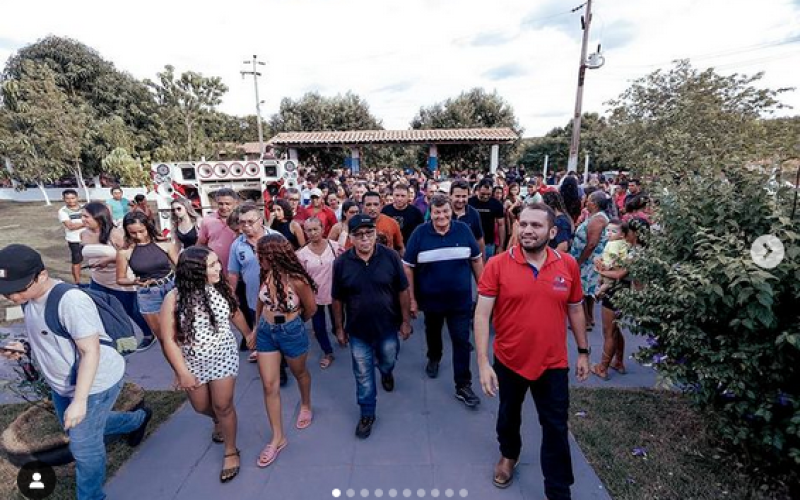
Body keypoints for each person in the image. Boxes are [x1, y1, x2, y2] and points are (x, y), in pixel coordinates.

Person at [0, 244, 153, 500]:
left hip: (95, 381)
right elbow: (50, 337)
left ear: (42, 275)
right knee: (80, 428)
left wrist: (80, 401)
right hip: (63, 384)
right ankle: (136, 420)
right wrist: (25, 347)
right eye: (6, 292)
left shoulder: (70, 301)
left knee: (84, 445)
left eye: (19, 289)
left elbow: (89, 351)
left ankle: (91, 496)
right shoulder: (29, 300)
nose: (13, 297)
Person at [474, 204, 590, 496]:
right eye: (522, 224)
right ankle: (508, 455)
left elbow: (576, 310)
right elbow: (481, 315)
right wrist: (483, 362)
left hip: (553, 363)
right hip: (510, 360)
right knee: (508, 415)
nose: (527, 230)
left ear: (552, 232)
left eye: (535, 225)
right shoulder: (497, 264)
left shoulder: (568, 265)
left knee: (555, 427)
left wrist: (584, 351)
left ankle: (558, 489)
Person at [159, 246, 252, 482]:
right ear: (195, 271)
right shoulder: (174, 298)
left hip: (223, 356)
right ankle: (216, 420)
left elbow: (235, 312)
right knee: (200, 407)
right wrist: (181, 372)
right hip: (192, 361)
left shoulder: (220, 287)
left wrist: (248, 335)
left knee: (223, 405)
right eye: (212, 265)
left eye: (217, 263)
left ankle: (231, 451)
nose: (219, 268)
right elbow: (168, 339)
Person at [332, 214, 412, 439]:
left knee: (388, 358)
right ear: (352, 238)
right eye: (359, 235)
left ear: (376, 234)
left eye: (369, 233)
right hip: (357, 331)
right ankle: (367, 413)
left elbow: (403, 290)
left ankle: (386, 372)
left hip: (388, 327)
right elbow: (337, 298)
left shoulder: (391, 257)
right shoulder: (341, 264)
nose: (364, 239)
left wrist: (405, 321)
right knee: (363, 374)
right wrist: (339, 328)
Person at [403, 194, 483, 408]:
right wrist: (411, 299)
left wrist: (483, 291)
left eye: (445, 211)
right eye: (437, 212)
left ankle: (463, 385)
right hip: (431, 302)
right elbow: (408, 266)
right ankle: (434, 357)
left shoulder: (463, 230)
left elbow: (476, 260)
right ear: (431, 213)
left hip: (460, 302)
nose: (442, 216)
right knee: (433, 332)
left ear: (451, 211)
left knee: (461, 341)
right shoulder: (420, 234)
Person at [252, 234, 317, 467]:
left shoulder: (297, 280)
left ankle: (306, 404)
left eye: (261, 255)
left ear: (273, 255)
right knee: (269, 385)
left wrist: (295, 322)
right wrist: (254, 328)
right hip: (266, 331)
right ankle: (277, 438)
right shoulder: (265, 273)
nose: (257, 258)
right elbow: (260, 301)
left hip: (291, 330)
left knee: (300, 373)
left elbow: (311, 309)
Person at [80, 202, 154, 351]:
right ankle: (115, 339)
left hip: (119, 281)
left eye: (86, 216)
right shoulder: (84, 234)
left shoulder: (116, 234)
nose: (83, 219)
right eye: (82, 216)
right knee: (102, 310)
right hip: (98, 280)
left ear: (98, 217)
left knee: (132, 311)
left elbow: (132, 253)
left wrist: (108, 260)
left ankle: (149, 334)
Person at [591, 217, 649, 380]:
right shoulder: (634, 249)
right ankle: (618, 361)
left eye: (627, 231)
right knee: (615, 329)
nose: (624, 234)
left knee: (608, 331)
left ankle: (602, 367)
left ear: (635, 233)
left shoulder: (634, 253)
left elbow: (619, 274)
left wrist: (600, 271)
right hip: (622, 291)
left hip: (617, 291)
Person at [227, 203, 282, 366]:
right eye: (242, 222)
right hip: (253, 300)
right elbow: (233, 272)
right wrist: (232, 294)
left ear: (260, 220)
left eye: (250, 222)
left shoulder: (276, 237)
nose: (245, 226)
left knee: (279, 332)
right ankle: (269, 363)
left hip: (279, 299)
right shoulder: (237, 245)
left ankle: (282, 364)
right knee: (262, 332)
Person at [116, 211, 179, 350]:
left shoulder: (165, 244)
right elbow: (120, 279)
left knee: (181, 331)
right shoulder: (125, 252)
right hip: (148, 294)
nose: (138, 236)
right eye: (133, 233)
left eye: (141, 231)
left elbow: (180, 267)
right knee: (164, 338)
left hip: (171, 287)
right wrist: (134, 282)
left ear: (148, 227)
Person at [297, 217, 343, 369]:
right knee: (318, 326)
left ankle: (340, 333)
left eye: (316, 229)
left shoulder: (335, 247)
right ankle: (328, 352)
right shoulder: (302, 255)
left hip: (335, 294)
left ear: (323, 229)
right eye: (309, 230)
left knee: (339, 320)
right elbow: (301, 278)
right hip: (314, 296)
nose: (313, 233)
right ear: (305, 232)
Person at [570, 191, 610, 329]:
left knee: (581, 290)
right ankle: (589, 318)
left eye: (589, 200)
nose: (586, 202)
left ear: (595, 203)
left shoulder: (598, 219)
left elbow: (592, 243)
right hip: (589, 260)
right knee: (587, 291)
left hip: (589, 261)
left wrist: (579, 261)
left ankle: (584, 320)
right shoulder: (595, 217)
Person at [197, 188, 239, 271]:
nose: (224, 207)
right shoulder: (207, 220)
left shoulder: (242, 220)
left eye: (228, 204)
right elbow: (200, 244)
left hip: (239, 270)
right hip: (216, 270)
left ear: (235, 203)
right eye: (220, 204)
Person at [469, 179, 506, 260]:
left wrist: (501, 246)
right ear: (478, 189)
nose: (485, 196)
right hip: (471, 242)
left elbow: (501, 225)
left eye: (488, 194)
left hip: (488, 243)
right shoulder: (470, 202)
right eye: (483, 194)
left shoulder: (496, 204)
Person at [594, 219, 629, 300]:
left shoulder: (615, 243)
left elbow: (614, 256)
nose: (609, 233)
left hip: (613, 267)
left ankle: (597, 293)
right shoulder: (613, 241)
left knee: (607, 283)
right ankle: (600, 292)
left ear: (622, 235)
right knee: (602, 280)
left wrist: (609, 265)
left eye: (613, 231)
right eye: (608, 230)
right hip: (608, 265)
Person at [450, 180, 485, 257]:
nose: (461, 200)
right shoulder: (444, 213)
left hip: (468, 260)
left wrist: (482, 262)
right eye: (457, 196)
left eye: (464, 196)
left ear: (469, 196)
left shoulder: (474, 214)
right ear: (450, 195)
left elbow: (479, 239)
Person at [58, 189, 85, 284]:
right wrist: (87, 223)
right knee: (77, 261)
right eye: (67, 198)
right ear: (63, 199)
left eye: (73, 198)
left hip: (88, 238)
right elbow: (70, 226)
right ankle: (77, 282)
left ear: (77, 198)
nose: (70, 201)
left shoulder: (84, 207)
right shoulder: (63, 211)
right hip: (74, 240)